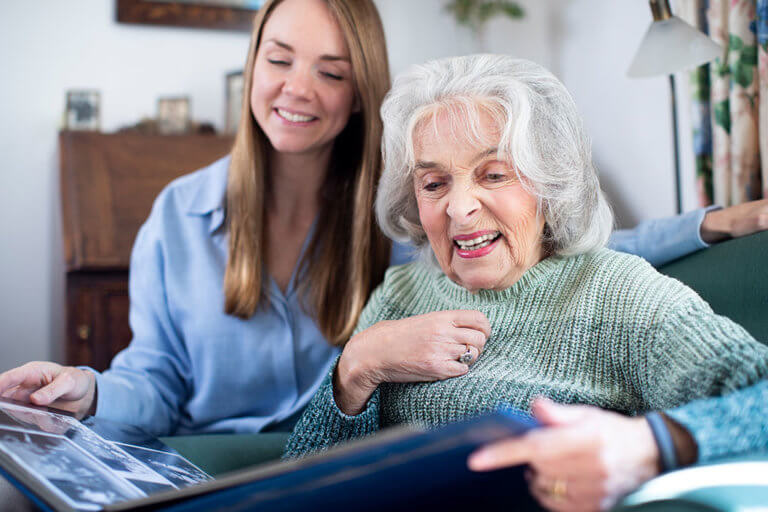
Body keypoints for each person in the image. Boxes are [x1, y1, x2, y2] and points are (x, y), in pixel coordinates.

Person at [0, 0, 766, 439]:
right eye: (279, 59)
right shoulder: (182, 214)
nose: (297, 89)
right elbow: (158, 379)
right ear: (252, 64)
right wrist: (89, 390)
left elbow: (561, 255)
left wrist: (706, 225)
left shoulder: (404, 227)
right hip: (214, 455)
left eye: (331, 71)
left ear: (358, 92)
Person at [282, 55, 768, 510]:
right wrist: (358, 365)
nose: (459, 207)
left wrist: (652, 443)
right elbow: (296, 480)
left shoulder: (619, 294)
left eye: (493, 174)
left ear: (550, 184)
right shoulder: (400, 294)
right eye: (434, 183)